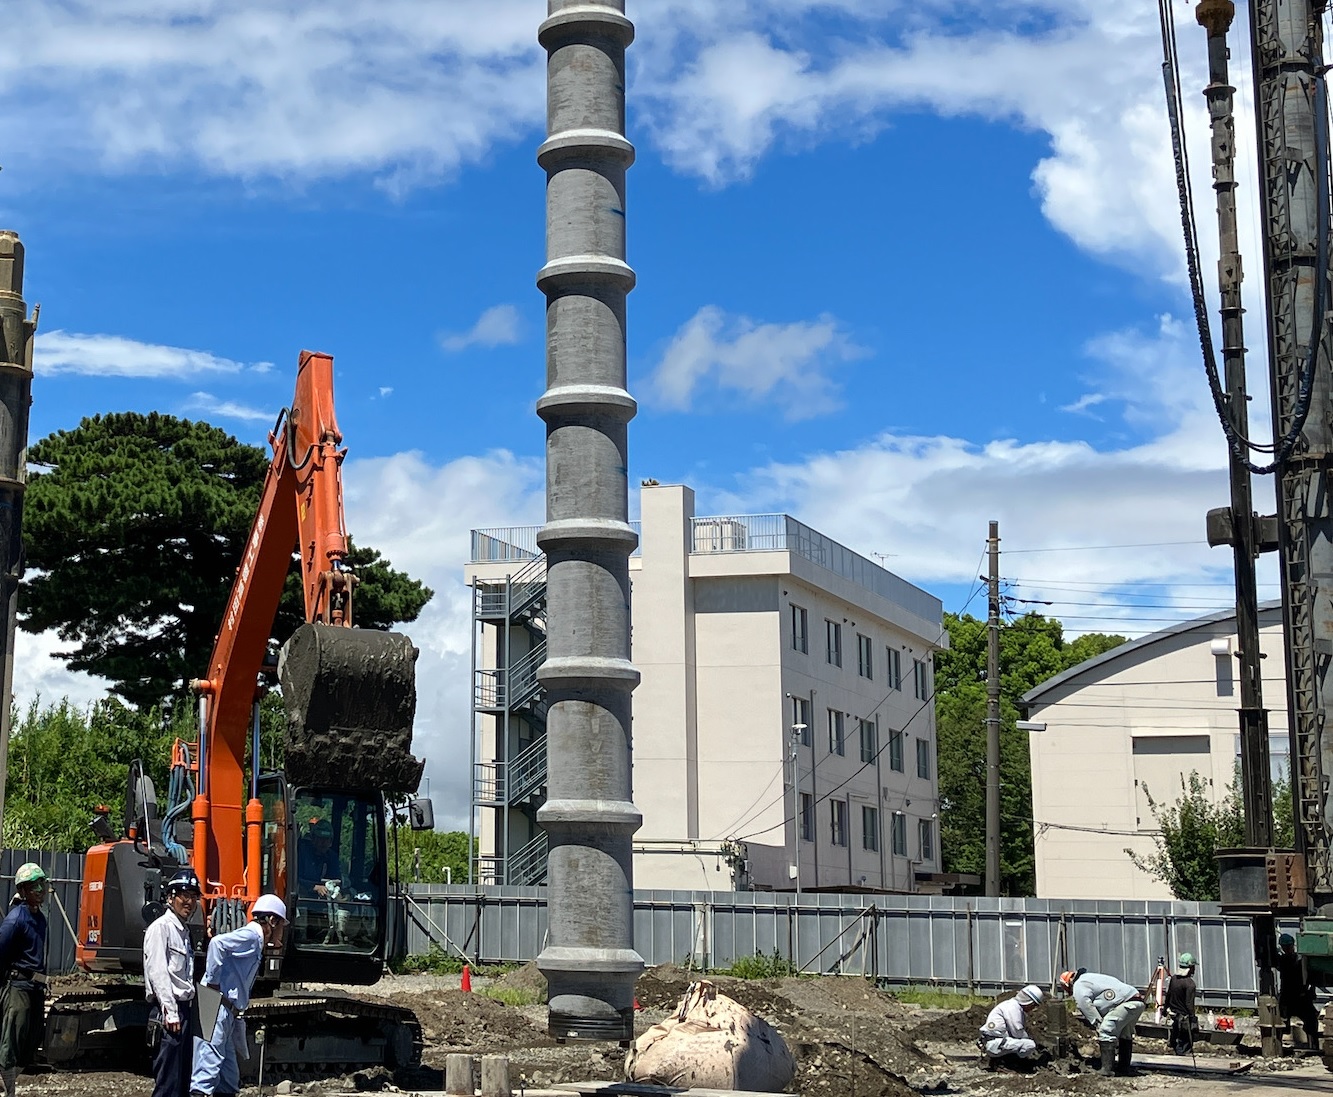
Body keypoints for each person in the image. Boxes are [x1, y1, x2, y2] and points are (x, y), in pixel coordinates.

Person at [189, 894, 287, 1097]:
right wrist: (214, 982)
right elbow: (216, 944)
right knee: (206, 1072)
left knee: (228, 1078)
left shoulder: (256, 940)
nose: (282, 931)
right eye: (281, 925)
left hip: (222, 1007)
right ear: (273, 920)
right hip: (214, 1003)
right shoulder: (252, 936)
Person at [144, 868, 202, 1097]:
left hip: (183, 1011)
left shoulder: (183, 932)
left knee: (182, 1082)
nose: (189, 902)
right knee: (168, 1082)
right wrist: (170, 1012)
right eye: (184, 895)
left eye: (193, 896)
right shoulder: (161, 928)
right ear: (170, 897)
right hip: (169, 1013)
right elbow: (158, 972)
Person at [0, 864, 49, 1097]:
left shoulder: (40, 919)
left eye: (43, 884)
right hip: (18, 986)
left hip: (36, 987)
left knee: (32, 1039)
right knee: (13, 1040)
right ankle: (9, 1089)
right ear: (23, 890)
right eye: (34, 886)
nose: (40, 889)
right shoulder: (15, 920)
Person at [1061, 967, 1145, 1077]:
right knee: (1125, 1034)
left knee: (1106, 1030)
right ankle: (1124, 1068)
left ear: (1068, 984)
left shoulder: (1079, 985)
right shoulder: (1089, 978)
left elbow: (1084, 1004)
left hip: (1125, 1003)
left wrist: (1097, 1023)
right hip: (1136, 1001)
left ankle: (1107, 1070)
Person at [978, 984, 1044, 1071]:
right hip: (994, 1044)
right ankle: (1005, 1063)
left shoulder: (1013, 1006)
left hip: (994, 1042)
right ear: (1029, 1003)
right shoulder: (1013, 1008)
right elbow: (1017, 1031)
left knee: (1023, 1043)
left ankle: (1005, 1060)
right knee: (1029, 1045)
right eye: (1034, 1005)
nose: (1033, 1008)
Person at [1276, 931, 1321, 1052]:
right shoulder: (1290, 961)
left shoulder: (1291, 961)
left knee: (1311, 1022)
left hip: (1298, 997)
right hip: (1292, 997)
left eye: (1289, 946)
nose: (1288, 949)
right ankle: (1277, 1046)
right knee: (1282, 1022)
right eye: (1287, 947)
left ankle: (1314, 1045)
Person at [1164, 952, 1197, 1055]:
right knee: (1184, 1045)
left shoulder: (1174, 979)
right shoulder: (1190, 984)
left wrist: (1165, 1009)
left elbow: (1168, 995)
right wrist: (1193, 1018)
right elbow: (1189, 1003)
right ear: (1190, 968)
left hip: (1174, 1016)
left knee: (1175, 1042)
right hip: (1184, 1019)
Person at [297, 818, 338, 898]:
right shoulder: (301, 853)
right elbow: (295, 879)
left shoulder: (332, 857)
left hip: (324, 902)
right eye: (320, 839)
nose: (323, 843)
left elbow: (336, 879)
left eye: (327, 840)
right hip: (301, 900)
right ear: (313, 838)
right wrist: (314, 887)